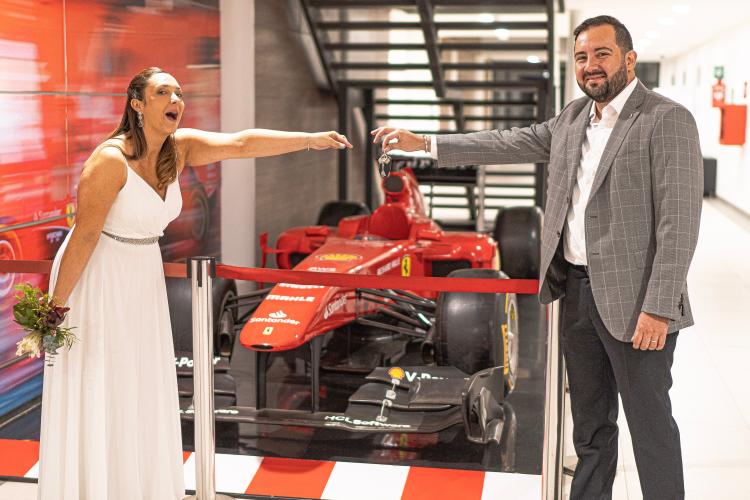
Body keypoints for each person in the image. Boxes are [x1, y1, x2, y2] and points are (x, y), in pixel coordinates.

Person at [372, 15, 702, 500]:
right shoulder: (573, 117)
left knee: (650, 427)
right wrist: (425, 143)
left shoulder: (665, 119)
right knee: (590, 427)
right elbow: (506, 142)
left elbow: (680, 222)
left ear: (629, 59)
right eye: (582, 56)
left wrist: (658, 307)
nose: (590, 65)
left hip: (637, 304)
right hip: (578, 294)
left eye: (602, 54)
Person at [38, 66, 352, 500]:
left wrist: (309, 139)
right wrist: (54, 309)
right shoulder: (108, 161)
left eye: (179, 93)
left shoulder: (179, 148)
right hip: (98, 278)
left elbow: (241, 143)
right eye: (163, 92)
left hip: (142, 273)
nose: (176, 100)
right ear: (137, 104)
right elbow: (85, 236)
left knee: (138, 382)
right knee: (101, 379)